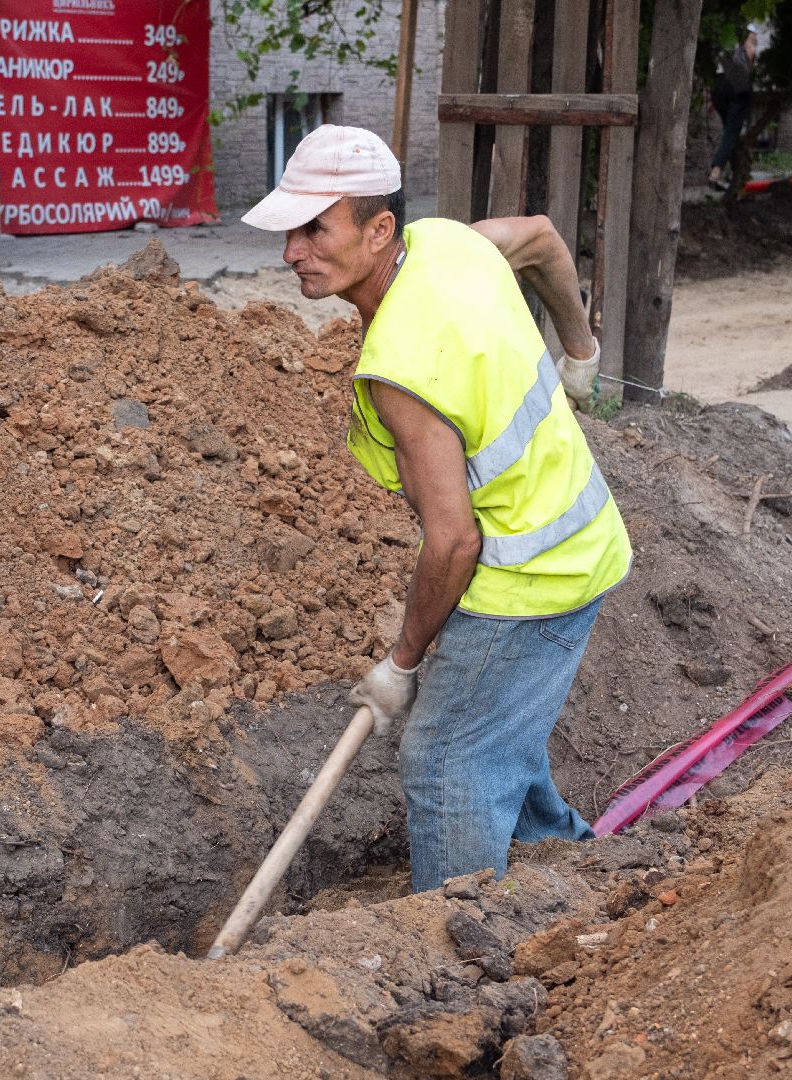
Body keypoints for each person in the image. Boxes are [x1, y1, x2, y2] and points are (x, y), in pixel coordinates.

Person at [241, 126, 632, 892]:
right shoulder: (452, 244)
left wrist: (401, 661)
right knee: (495, 733)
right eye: (291, 230)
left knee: (447, 756)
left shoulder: (402, 366)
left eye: (316, 228)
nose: (293, 251)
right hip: (579, 544)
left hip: (526, 581)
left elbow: (453, 543)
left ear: (379, 229)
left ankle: (455, 947)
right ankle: (583, 867)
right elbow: (545, 241)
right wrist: (580, 351)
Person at [708, 28, 759, 190]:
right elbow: (749, 51)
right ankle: (716, 171)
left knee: (728, 133)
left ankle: (726, 174)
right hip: (737, 78)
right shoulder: (750, 31)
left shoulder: (727, 30)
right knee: (731, 132)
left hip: (719, 82)